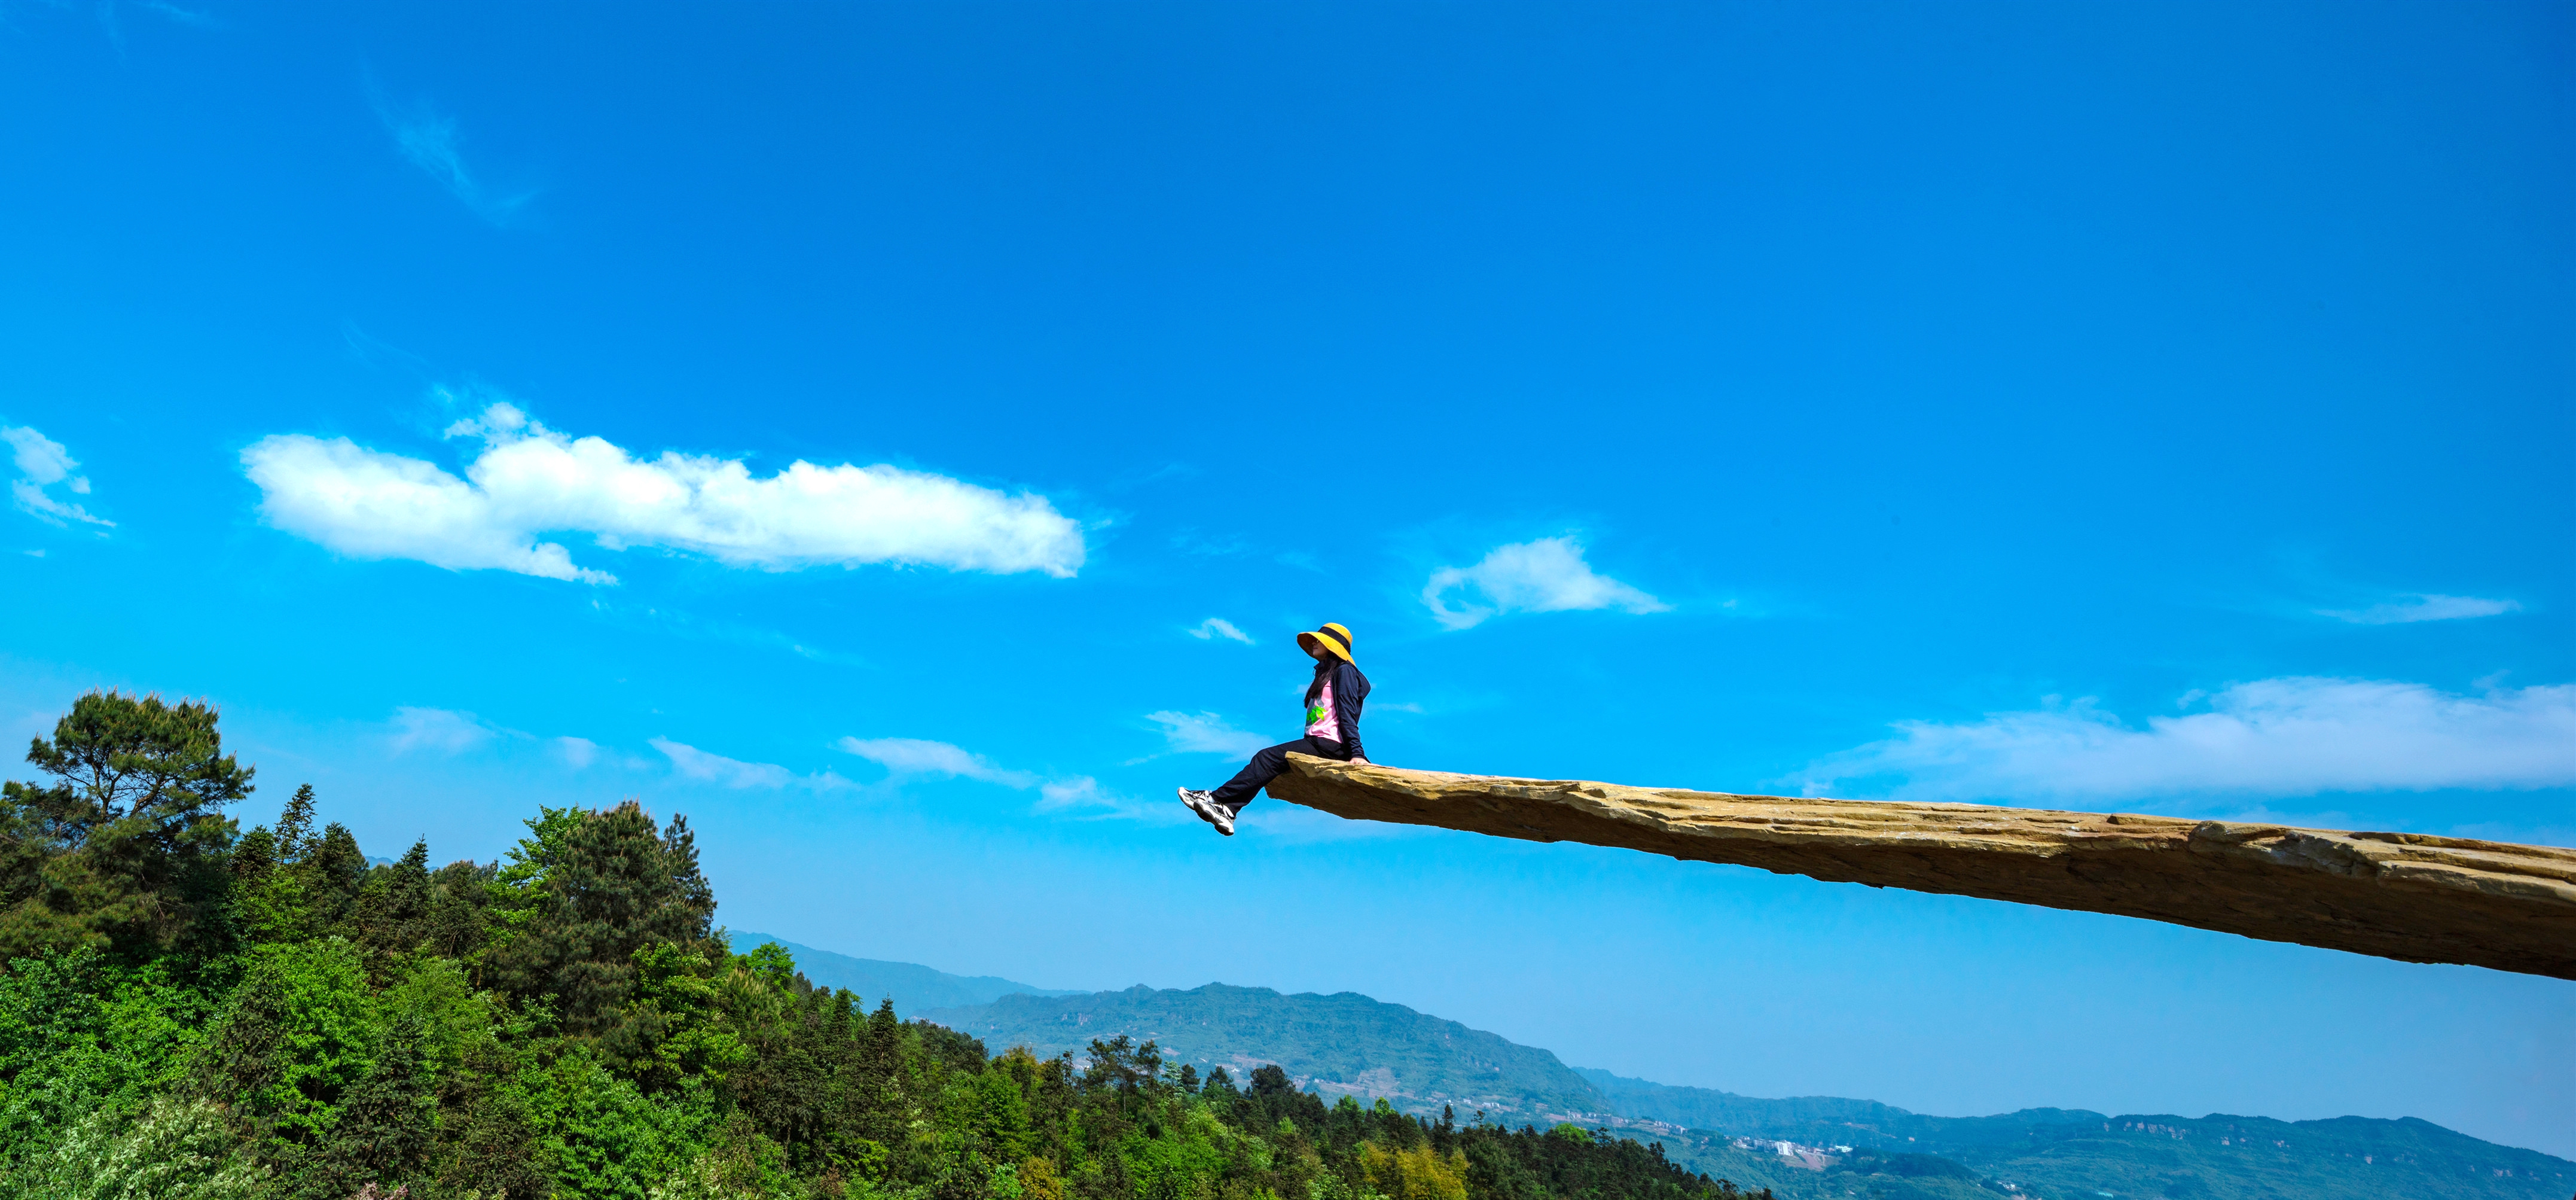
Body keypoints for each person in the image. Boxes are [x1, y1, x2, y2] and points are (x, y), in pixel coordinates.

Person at [1178, 622, 1371, 836]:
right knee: (1269, 765)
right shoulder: (1326, 674)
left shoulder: (1344, 672)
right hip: (1319, 742)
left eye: (1320, 639)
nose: (1314, 642)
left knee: (1266, 757)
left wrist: (1357, 753)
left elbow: (1347, 713)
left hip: (1330, 744)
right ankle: (1228, 809)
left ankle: (1217, 800)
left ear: (1333, 646)